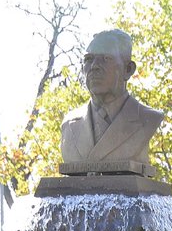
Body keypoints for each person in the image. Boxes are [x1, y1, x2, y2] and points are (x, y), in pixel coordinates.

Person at [60, 29, 165, 166]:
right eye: (89, 59)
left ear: (128, 69)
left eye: (106, 59)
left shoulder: (147, 119)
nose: (94, 66)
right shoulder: (69, 124)